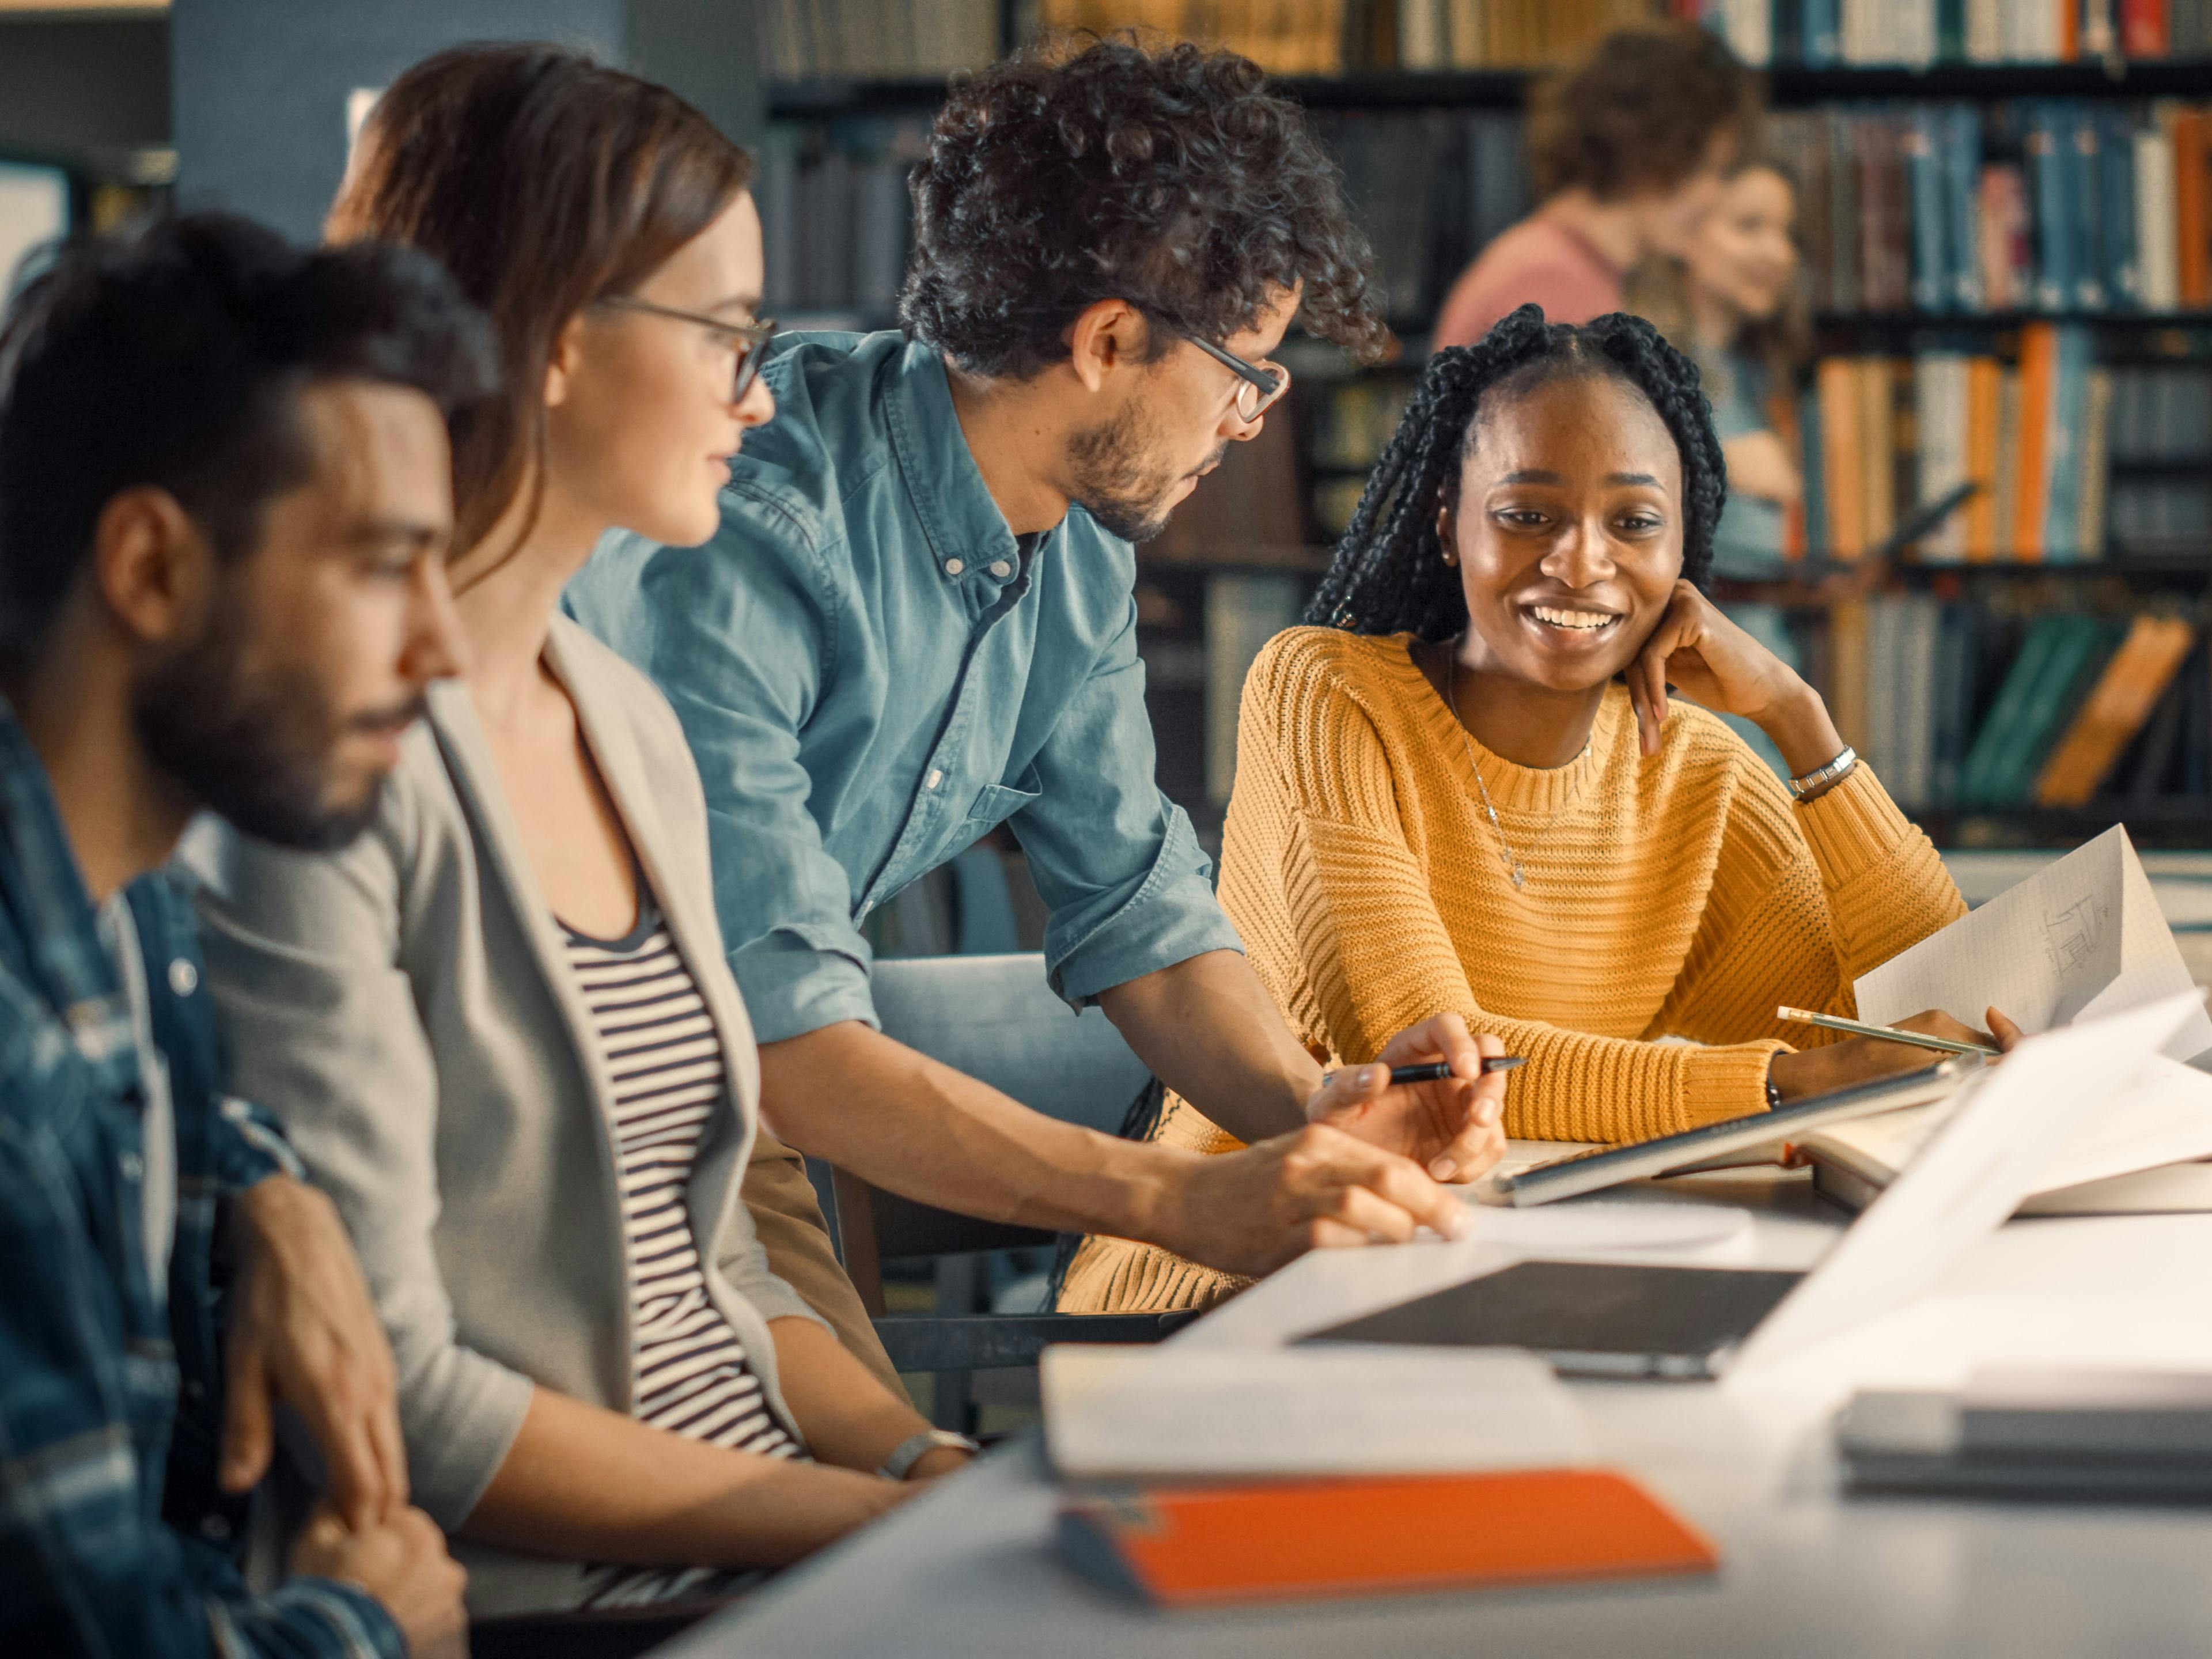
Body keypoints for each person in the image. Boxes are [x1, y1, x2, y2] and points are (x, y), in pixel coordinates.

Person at [184, 46, 991, 1622]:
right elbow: (403, 1390)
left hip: (773, 1548)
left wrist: (912, 1467)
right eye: (728, 336)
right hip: (574, 1602)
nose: (761, 394)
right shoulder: (322, 773)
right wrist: (848, 1525)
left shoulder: (626, 720)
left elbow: (723, 1273)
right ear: (557, 339)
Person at [566, 36, 1513, 1296]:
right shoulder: (752, 534)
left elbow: (1141, 916)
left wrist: (1320, 1111)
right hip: (568, 1109)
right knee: (889, 1484)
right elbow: (783, 1038)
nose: (1251, 420)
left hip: (736, 1103)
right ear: (1110, 341)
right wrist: (1182, 1200)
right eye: (1244, 374)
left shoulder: (1074, 557)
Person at [1061, 305, 2020, 1314]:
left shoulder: (1698, 771)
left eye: (1635, 522)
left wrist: (1801, 719)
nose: (1581, 561)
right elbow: (1442, 1068)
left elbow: (1915, 1026)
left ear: (1685, 544)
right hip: (1240, 1275)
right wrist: (1780, 1088)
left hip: (1503, 1264)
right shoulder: (1327, 696)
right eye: (1527, 514)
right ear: (1447, 518)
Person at [0, 214, 487, 1656]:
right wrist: (365, 1624)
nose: (442, 648)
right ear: (151, 567)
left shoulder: (130, 891)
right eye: (382, 566)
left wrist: (266, 1195)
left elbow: (182, 1114)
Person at [1625, 158, 1811, 775]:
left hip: (1762, 639)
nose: (1778, 253)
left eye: (1787, 233)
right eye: (1750, 226)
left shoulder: (1759, 375)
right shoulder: (1645, 364)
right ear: (1684, 235)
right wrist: (1723, 460)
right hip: (1686, 671)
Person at [1431, 24, 1759, 350]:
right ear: (1649, 147)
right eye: (1706, 169)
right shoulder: (1549, 283)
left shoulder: (1569, 266)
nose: (1715, 196)